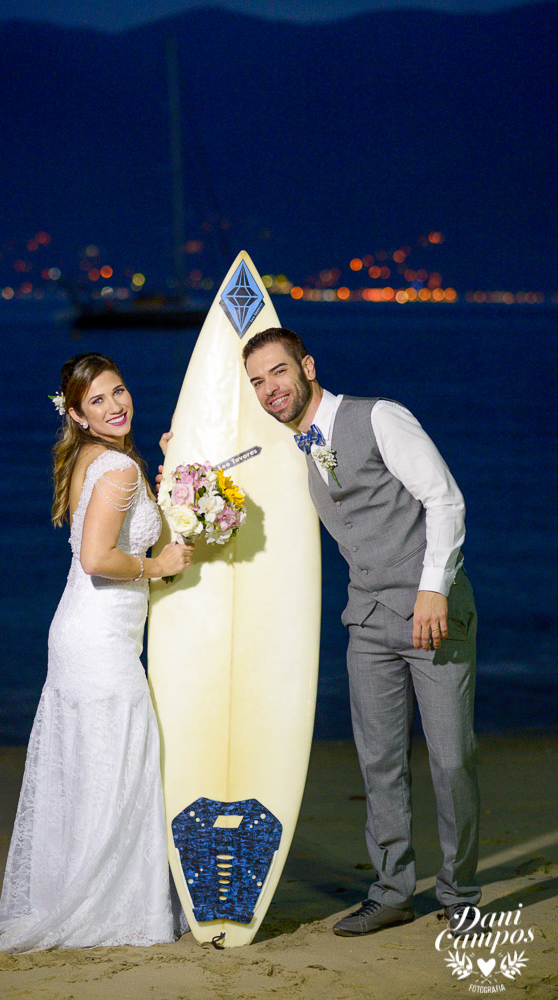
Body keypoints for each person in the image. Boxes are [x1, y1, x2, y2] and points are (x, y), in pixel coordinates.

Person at [243, 328, 480, 939]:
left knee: (451, 761)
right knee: (379, 763)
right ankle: (393, 891)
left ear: (308, 365)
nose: (271, 389)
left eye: (278, 372)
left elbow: (445, 500)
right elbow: (227, 476)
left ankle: (461, 895)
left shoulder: (380, 418)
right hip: (367, 622)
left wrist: (433, 589)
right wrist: (178, 450)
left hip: (434, 612)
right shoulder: (293, 447)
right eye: (258, 382)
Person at [0, 352, 193, 953]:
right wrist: (161, 565)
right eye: (97, 400)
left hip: (83, 630)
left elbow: (114, 533)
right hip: (98, 637)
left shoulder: (93, 461)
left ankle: (75, 891)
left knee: (92, 766)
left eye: (118, 391)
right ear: (75, 412)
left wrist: (171, 465)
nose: (115, 405)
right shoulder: (117, 470)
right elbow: (99, 559)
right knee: (118, 763)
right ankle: (107, 907)